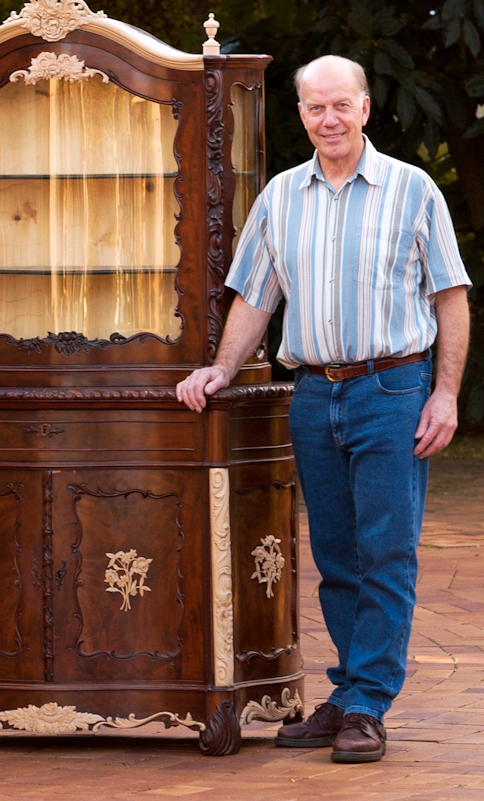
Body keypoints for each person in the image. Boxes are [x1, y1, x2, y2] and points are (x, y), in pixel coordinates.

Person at [176, 55, 471, 763]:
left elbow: (451, 298)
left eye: (342, 105)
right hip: (313, 393)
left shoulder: (412, 189)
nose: (329, 119)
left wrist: (446, 393)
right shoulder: (281, 197)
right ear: (302, 114)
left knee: (387, 551)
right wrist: (219, 368)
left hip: (393, 390)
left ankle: (367, 700)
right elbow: (256, 296)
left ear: (365, 108)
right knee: (336, 556)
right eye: (316, 108)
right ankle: (348, 692)